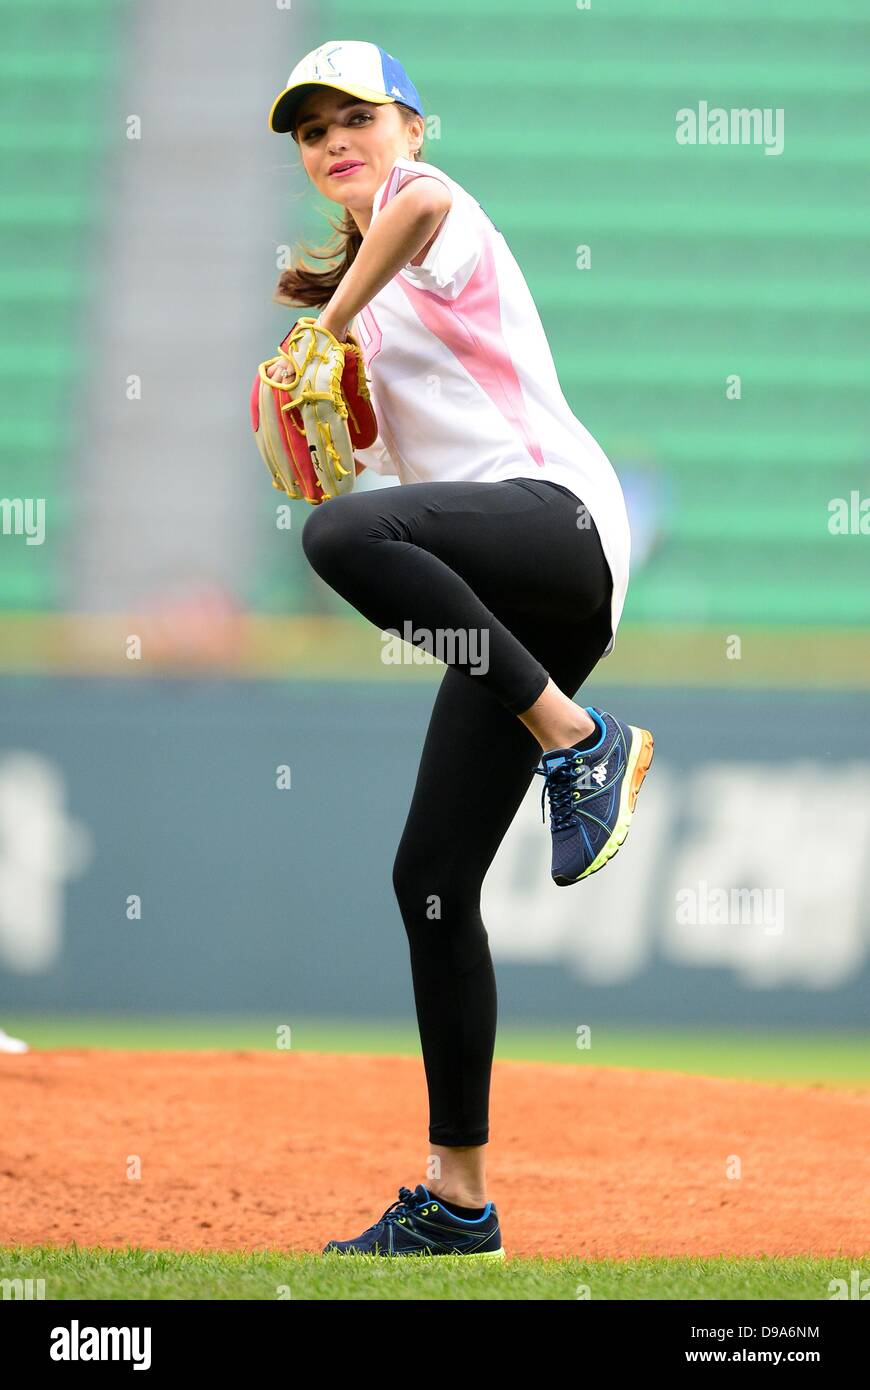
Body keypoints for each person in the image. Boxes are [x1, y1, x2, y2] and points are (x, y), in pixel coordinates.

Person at [266, 40, 654, 1259]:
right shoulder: (362, 328)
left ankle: (579, 740)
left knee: (334, 536)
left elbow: (423, 205)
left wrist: (328, 323)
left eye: (359, 116)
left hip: (562, 524)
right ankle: (459, 1200)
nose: (337, 138)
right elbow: (386, 511)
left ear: (413, 128)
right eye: (312, 126)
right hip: (507, 600)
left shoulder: (431, 215)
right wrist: (339, 409)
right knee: (429, 879)